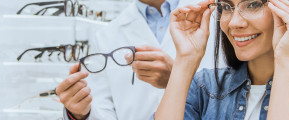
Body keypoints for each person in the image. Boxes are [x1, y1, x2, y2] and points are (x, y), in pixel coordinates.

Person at [155, 0, 289, 119]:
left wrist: (284, 59)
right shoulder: (204, 88)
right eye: (226, 6)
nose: (234, 23)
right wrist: (185, 58)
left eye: (253, 4)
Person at [55, 0, 222, 119]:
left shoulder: (216, 16)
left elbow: (238, 94)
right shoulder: (106, 36)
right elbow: (103, 110)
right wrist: (81, 114)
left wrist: (177, 77)